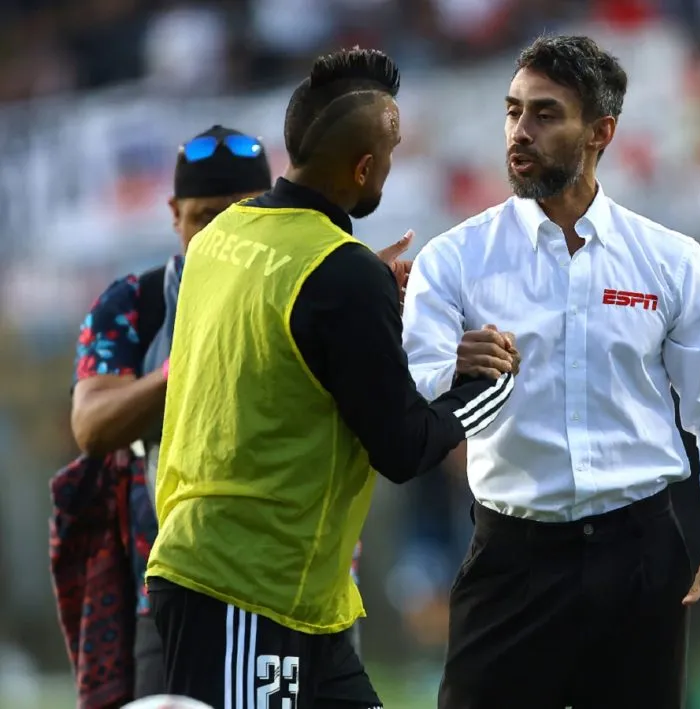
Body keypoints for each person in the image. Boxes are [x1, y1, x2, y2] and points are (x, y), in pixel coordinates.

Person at [145, 48, 514, 709]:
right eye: (390, 158)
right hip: (245, 588)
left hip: (287, 595)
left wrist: (369, 296)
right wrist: (487, 383)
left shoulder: (220, 238)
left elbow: (288, 350)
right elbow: (404, 448)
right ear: (365, 168)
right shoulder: (340, 273)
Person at [402, 35, 700, 709]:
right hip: (511, 553)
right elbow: (411, 400)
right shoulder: (452, 260)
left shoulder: (670, 259)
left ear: (601, 132)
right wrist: (451, 365)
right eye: (513, 111)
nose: (520, 131)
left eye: (545, 114)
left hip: (640, 554)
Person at [67, 125, 272, 701]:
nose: (225, 233)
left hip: (300, 592)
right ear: (175, 215)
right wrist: (189, 367)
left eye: (244, 214)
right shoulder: (135, 303)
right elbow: (92, 426)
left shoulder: (317, 291)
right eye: (206, 217)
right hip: (175, 591)